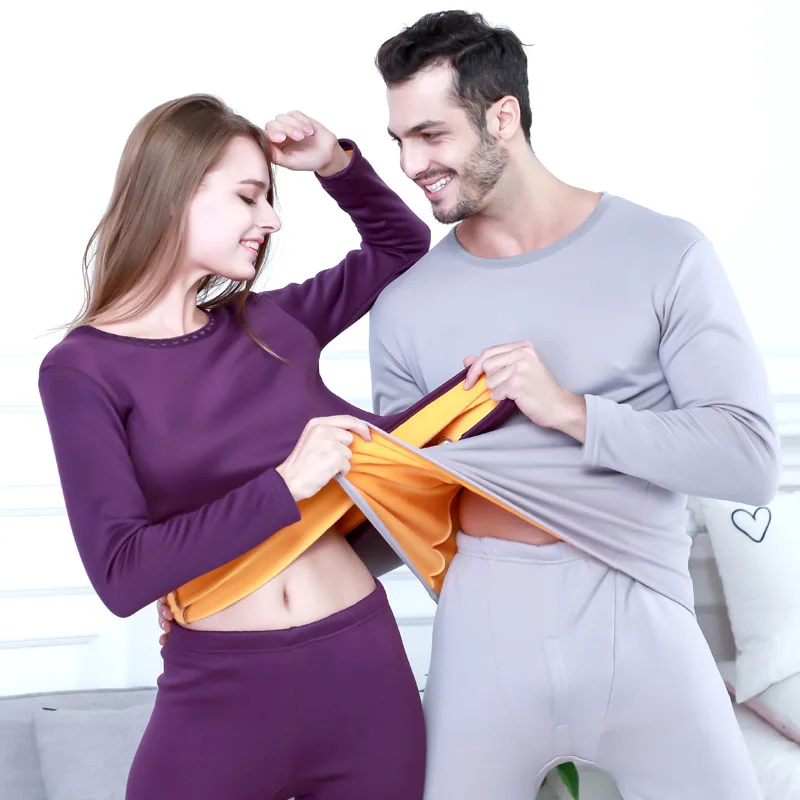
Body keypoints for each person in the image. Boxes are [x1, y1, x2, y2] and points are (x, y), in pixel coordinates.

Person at [364, 10, 780, 800]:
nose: (412, 164)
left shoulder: (665, 252)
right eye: (400, 141)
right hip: (484, 623)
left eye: (430, 135)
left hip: (640, 604)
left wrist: (570, 411)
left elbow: (750, 460)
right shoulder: (404, 307)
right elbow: (403, 510)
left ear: (503, 117)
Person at [38, 94, 431, 800]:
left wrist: (334, 163)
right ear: (173, 196)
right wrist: (285, 485)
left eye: (269, 198)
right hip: (221, 693)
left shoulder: (272, 324)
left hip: (364, 675)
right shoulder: (82, 369)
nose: (271, 219)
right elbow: (122, 572)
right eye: (250, 197)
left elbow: (400, 246)